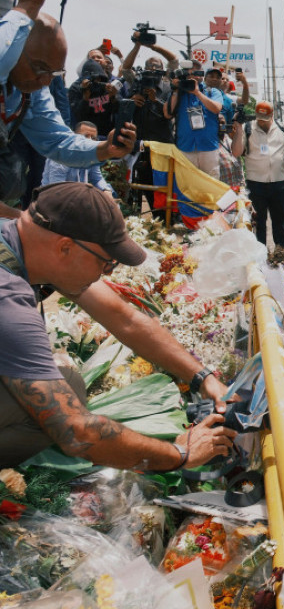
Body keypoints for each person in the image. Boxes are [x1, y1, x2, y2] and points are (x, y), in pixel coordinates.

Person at [0, 183, 235, 470]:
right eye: (106, 263)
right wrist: (180, 454)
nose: (106, 273)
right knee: (57, 400)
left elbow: (125, 319)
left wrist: (203, 378)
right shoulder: (8, 299)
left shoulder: (18, 240)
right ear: (65, 247)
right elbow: (77, 431)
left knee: (67, 382)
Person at [0, 0, 137, 210]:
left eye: (53, 73)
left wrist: (105, 148)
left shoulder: (30, 92)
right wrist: (26, 7)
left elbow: (58, 142)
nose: (44, 80)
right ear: (17, 50)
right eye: (40, 68)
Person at [231, 101, 284, 252]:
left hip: (278, 183)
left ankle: (281, 254)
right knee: (258, 223)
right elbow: (236, 152)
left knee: (279, 223)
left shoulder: (282, 128)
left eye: (265, 118)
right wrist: (238, 128)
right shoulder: (248, 128)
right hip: (256, 184)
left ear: (272, 115)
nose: (262, 122)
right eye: (259, 118)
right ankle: (260, 255)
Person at [166, 63, 223, 180]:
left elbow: (216, 108)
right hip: (185, 147)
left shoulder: (212, 91)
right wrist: (175, 90)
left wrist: (197, 92)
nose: (193, 76)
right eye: (189, 73)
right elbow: (167, 113)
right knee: (187, 185)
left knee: (211, 185)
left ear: (201, 75)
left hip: (208, 147)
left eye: (196, 73)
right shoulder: (179, 93)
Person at [40, 121, 114, 195]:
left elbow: (97, 179)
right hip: (52, 198)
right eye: (85, 136)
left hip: (76, 197)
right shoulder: (62, 154)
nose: (90, 140)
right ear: (74, 137)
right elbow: (57, 188)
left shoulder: (91, 155)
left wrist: (106, 190)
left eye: (93, 138)